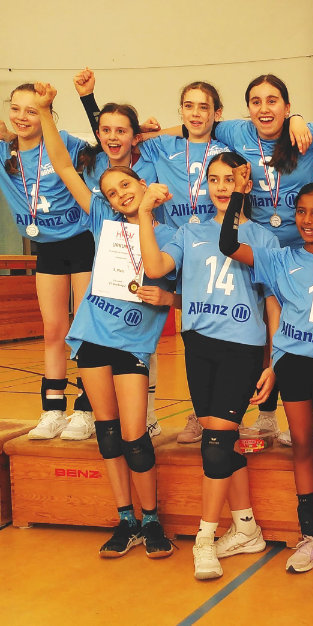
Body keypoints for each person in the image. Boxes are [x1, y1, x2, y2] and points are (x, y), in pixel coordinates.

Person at [35, 81, 176, 558]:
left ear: (142, 183)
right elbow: (58, 163)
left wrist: (166, 298)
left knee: (136, 437)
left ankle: (152, 519)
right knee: (109, 432)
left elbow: (170, 288)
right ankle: (125, 519)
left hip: (133, 343)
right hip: (94, 336)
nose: (118, 194)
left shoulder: (165, 229)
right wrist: (46, 110)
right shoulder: (99, 216)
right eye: (112, 192)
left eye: (126, 187)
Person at [137, 153, 279, 580]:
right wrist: (145, 212)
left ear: (246, 187)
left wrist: (272, 361)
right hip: (198, 345)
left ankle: (205, 537)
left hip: (243, 346)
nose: (222, 186)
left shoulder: (261, 237)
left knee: (216, 443)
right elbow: (156, 267)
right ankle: (248, 528)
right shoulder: (188, 231)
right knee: (222, 439)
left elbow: (271, 301)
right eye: (214, 179)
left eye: (231, 180)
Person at [220, 181, 313, 577]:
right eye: (301, 211)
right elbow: (228, 246)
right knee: (303, 446)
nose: (306, 220)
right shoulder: (280, 258)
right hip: (292, 365)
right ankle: (310, 537)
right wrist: (237, 195)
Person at [72, 68, 170, 440]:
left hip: (149, 248)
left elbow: (128, 133)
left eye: (125, 132)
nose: (114, 139)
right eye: (106, 132)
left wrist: (154, 132)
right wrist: (87, 99)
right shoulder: (96, 161)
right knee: (101, 333)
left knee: (144, 335)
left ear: (136, 136)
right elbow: (109, 131)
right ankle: (88, 408)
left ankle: (148, 412)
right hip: (108, 250)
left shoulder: (149, 158)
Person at [0, 83, 93, 441]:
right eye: (17, 109)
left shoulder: (66, 142)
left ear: (48, 115)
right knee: (54, 330)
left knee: (83, 330)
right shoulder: (5, 155)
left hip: (82, 241)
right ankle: (53, 410)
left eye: (33, 110)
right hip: (47, 248)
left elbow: (108, 145)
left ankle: (86, 410)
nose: (23, 117)